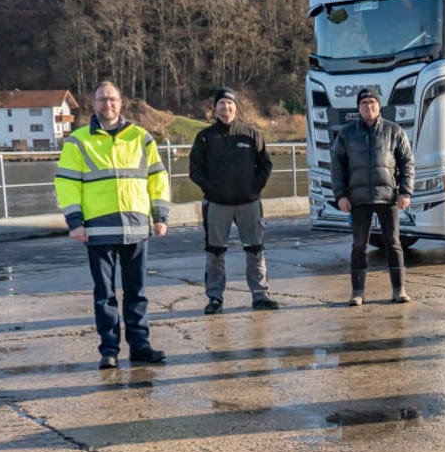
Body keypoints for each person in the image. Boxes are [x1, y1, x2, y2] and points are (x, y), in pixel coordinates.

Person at [54, 81, 170, 370]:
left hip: (136, 227)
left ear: (121, 102)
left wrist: (160, 215)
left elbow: (157, 178)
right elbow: (67, 184)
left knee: (136, 292)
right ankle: (109, 350)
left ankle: (140, 347)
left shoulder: (140, 137)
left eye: (113, 99)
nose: (108, 104)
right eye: (102, 99)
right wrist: (75, 222)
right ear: (93, 104)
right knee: (104, 295)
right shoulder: (78, 141)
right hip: (98, 230)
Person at [189, 87, 278, 315]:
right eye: (221, 103)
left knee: (255, 250)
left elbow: (265, 164)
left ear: (236, 107)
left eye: (230, 103)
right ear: (215, 108)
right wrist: (211, 188)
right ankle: (215, 298)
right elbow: (195, 169)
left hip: (249, 203)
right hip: (217, 204)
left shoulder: (251, 134)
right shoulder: (205, 137)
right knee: (215, 253)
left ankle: (261, 295)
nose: (226, 107)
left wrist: (254, 187)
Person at [331, 87, 415, 306]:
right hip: (358, 199)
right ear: (358, 108)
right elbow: (337, 166)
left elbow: (407, 163)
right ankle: (357, 292)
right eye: (364, 103)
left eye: (372, 103)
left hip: (388, 197)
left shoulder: (394, 131)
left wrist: (405, 192)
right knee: (359, 245)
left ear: (379, 106)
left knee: (394, 243)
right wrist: (340, 195)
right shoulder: (347, 134)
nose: (368, 107)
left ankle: (399, 289)